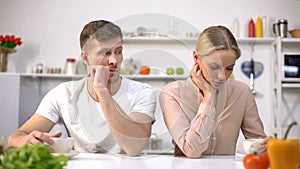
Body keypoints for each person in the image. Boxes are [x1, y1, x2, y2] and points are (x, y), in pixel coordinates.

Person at [8, 20, 156, 156]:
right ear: (85, 58)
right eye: (105, 53)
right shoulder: (63, 93)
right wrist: (25, 141)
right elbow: (15, 137)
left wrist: (102, 90)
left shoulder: (142, 92)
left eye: (118, 51)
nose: (114, 61)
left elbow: (135, 147)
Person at [159, 25, 270, 158]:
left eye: (229, 68)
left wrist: (269, 146)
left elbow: (258, 145)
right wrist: (208, 96)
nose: (222, 76)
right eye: (214, 66)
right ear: (196, 58)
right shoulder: (172, 94)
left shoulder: (242, 92)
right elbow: (191, 150)